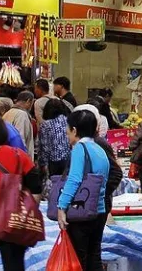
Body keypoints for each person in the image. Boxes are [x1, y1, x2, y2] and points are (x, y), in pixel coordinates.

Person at [0, 113, 42, 271]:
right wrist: (28, 211)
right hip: (12, 221)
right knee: (14, 265)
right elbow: (36, 189)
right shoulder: (19, 156)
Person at [57, 110, 110, 271]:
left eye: (68, 129)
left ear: (74, 130)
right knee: (94, 256)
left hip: (81, 213)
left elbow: (74, 179)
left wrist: (62, 206)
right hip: (99, 211)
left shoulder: (80, 148)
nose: (67, 133)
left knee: (79, 260)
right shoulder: (99, 149)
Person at [37, 98, 71, 178]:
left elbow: (44, 146)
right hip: (68, 158)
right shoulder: (68, 121)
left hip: (52, 161)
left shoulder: (45, 125)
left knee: (54, 182)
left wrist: (43, 164)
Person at [2, 91, 34, 159]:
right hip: (20, 157)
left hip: (10, 155)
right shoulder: (21, 114)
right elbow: (21, 140)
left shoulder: (7, 113)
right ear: (28, 101)